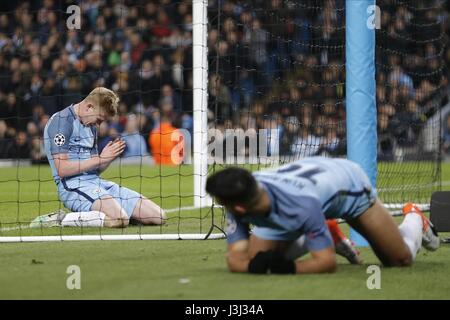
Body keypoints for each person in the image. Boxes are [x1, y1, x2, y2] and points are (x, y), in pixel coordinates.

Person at [205, 157, 440, 274]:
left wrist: (289, 268)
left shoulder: (300, 206)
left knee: (399, 260)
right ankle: (323, 232)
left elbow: (326, 263)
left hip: (350, 186)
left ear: (239, 210)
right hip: (309, 190)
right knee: (259, 259)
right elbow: (236, 258)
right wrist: (253, 266)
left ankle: (415, 219)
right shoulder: (243, 192)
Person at [39, 87, 166, 228]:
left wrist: (108, 158)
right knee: (120, 219)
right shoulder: (62, 122)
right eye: (99, 119)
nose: (99, 125)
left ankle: (111, 214)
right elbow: (62, 169)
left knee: (158, 216)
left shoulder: (90, 126)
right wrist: (100, 159)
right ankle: (62, 219)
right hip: (72, 186)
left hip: (95, 182)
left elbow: (95, 169)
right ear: (89, 107)